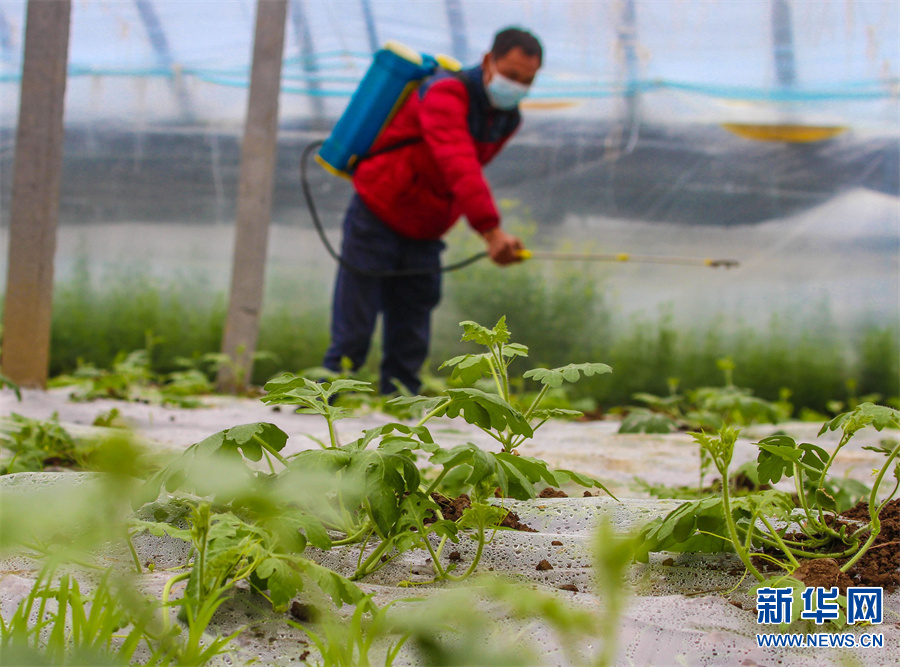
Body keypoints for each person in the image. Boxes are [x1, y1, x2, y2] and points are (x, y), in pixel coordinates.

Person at [322, 27, 543, 395]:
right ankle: (326, 394)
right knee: (355, 322)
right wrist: (490, 230)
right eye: (511, 75)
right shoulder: (446, 93)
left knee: (413, 320)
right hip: (379, 210)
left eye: (527, 81)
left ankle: (401, 400)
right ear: (488, 62)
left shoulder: (507, 118)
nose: (516, 86)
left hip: (427, 227)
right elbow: (458, 161)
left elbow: (465, 169)